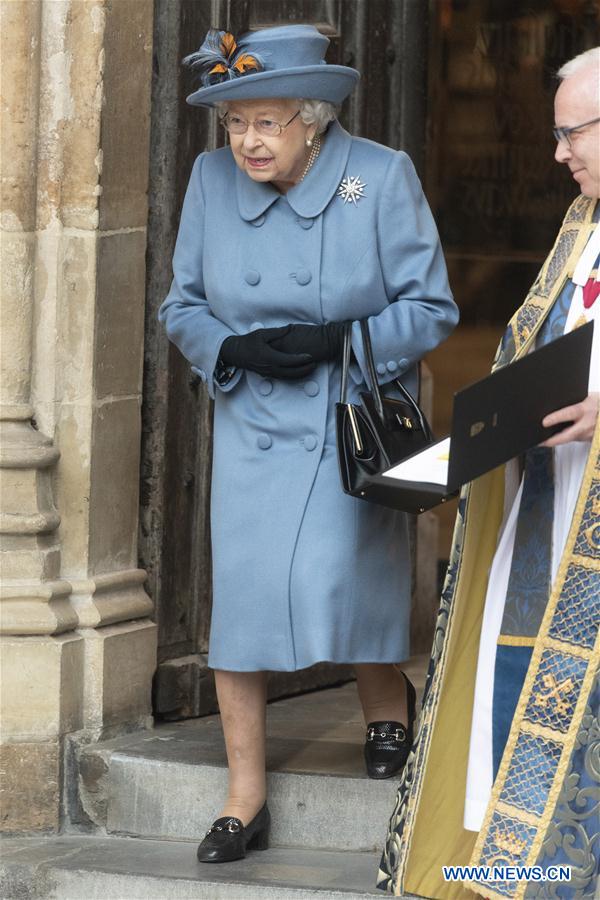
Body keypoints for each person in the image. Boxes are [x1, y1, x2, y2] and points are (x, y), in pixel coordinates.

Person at [159, 24, 458, 864]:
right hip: (253, 418)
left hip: (347, 416)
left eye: (265, 121)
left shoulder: (379, 177)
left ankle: (384, 700)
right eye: (234, 123)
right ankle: (242, 797)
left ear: (313, 119)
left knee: (343, 574)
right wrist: (231, 348)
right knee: (244, 606)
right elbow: (181, 304)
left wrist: (344, 343)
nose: (246, 141)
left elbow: (431, 308)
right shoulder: (211, 181)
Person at [379, 47, 600, 899]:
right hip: (545, 516)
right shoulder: (582, 224)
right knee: (509, 707)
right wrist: (477, 439)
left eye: (568, 133)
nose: (556, 155)